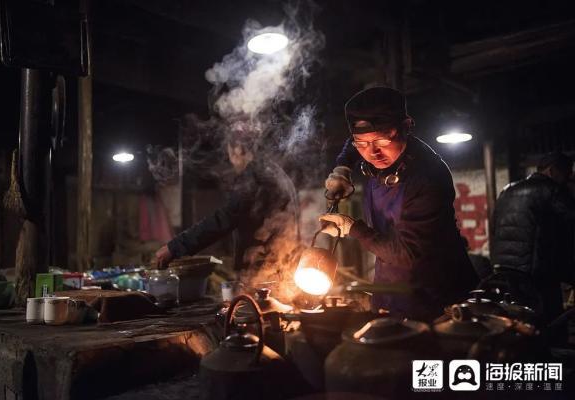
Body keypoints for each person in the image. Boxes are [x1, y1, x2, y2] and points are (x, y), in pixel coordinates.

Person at [320, 87, 477, 321]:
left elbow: (408, 253)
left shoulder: (427, 177)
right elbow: (355, 142)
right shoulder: (369, 148)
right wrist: (342, 167)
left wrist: (352, 228)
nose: (373, 152)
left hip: (436, 300)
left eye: (383, 139)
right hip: (391, 288)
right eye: (362, 144)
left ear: (406, 126)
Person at [155, 120, 300, 277]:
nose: (230, 158)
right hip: (284, 264)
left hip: (263, 271)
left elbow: (224, 218)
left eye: (229, 150)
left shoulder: (253, 176)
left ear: (238, 150)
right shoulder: (274, 172)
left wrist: (174, 247)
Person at [489, 152, 575, 326]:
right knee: (551, 322)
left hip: (504, 269)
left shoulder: (507, 190)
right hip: (537, 271)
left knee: (519, 320)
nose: (568, 179)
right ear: (552, 171)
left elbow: (493, 227)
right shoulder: (552, 190)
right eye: (566, 174)